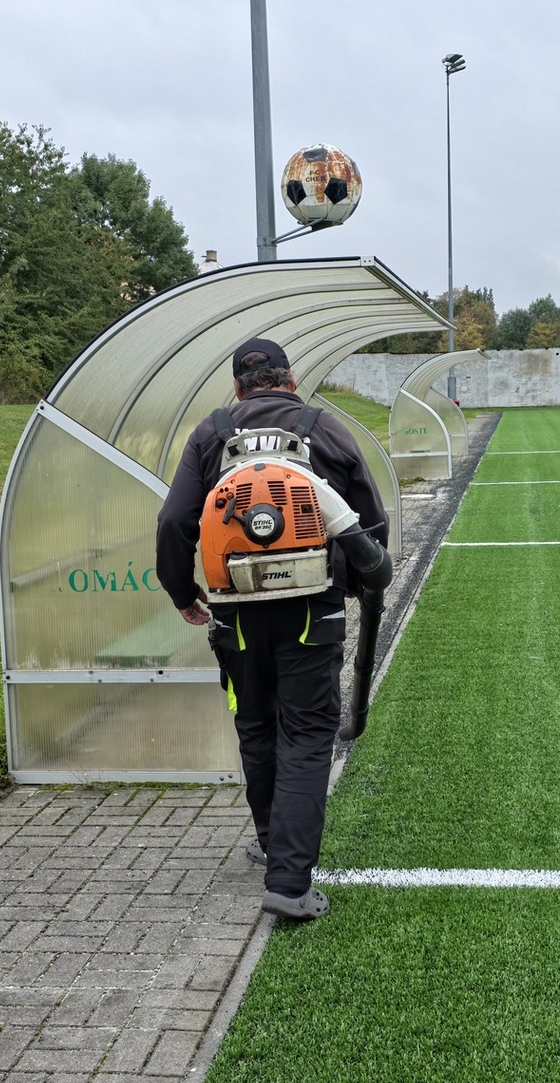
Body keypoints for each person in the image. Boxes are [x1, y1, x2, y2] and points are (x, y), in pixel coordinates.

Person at [155, 338, 390, 921]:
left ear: (237, 389)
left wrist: (183, 593)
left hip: (234, 611)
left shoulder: (210, 435)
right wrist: (357, 585)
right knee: (307, 733)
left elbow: (174, 521)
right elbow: (371, 521)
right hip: (313, 609)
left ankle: (269, 843)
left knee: (256, 724)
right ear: (291, 382)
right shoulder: (323, 429)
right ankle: (289, 883)